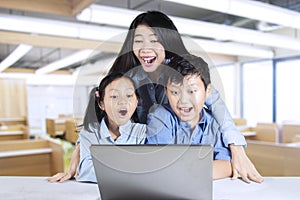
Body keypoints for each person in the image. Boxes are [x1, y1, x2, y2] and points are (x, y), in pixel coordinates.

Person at [49, 10, 263, 183]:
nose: (145, 48)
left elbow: (218, 108)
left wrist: (237, 149)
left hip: (177, 160)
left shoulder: (185, 76)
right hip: (141, 153)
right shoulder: (128, 77)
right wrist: (81, 146)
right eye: (138, 41)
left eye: (154, 40)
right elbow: (102, 108)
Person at [48, 72, 146, 183]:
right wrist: (129, 171)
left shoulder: (143, 132)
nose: (122, 101)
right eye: (114, 96)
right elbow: (86, 171)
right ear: (101, 104)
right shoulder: (90, 133)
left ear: (137, 101)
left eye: (129, 95)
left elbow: (147, 170)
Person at [147, 54, 232, 179]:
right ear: (166, 92)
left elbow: (226, 166)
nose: (184, 101)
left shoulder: (214, 122)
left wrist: (185, 171)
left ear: (208, 91)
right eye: (175, 92)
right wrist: (205, 169)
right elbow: (160, 165)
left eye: (192, 91)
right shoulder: (159, 116)